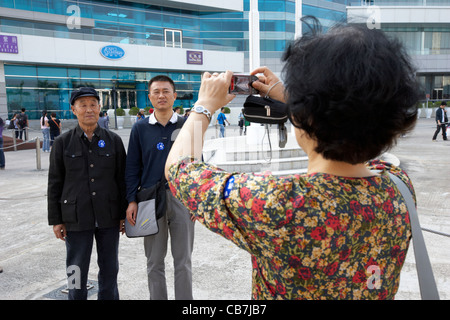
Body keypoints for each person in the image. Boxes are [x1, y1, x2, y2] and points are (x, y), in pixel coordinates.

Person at [165, 18, 420, 300]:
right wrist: (298, 99)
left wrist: (203, 107)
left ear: (304, 115)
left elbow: (179, 168)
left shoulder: (279, 202)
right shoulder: (399, 187)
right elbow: (360, 126)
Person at [48, 87, 127, 300]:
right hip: (75, 216)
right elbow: (55, 183)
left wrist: (122, 214)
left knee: (110, 268)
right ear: (74, 109)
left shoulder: (114, 140)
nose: (89, 109)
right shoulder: (62, 143)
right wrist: (56, 220)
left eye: (93, 104)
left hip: (108, 215)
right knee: (75, 268)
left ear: (100, 108)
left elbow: (121, 180)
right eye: (83, 105)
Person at [125, 75, 194, 300]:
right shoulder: (140, 129)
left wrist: (196, 202)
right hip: (149, 201)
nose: (161, 95)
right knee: (154, 261)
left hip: (181, 199)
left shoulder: (187, 126)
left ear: (174, 96)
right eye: (156, 92)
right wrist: (131, 201)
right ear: (150, 97)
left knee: (183, 261)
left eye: (166, 91)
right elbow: (132, 167)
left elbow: (197, 165)